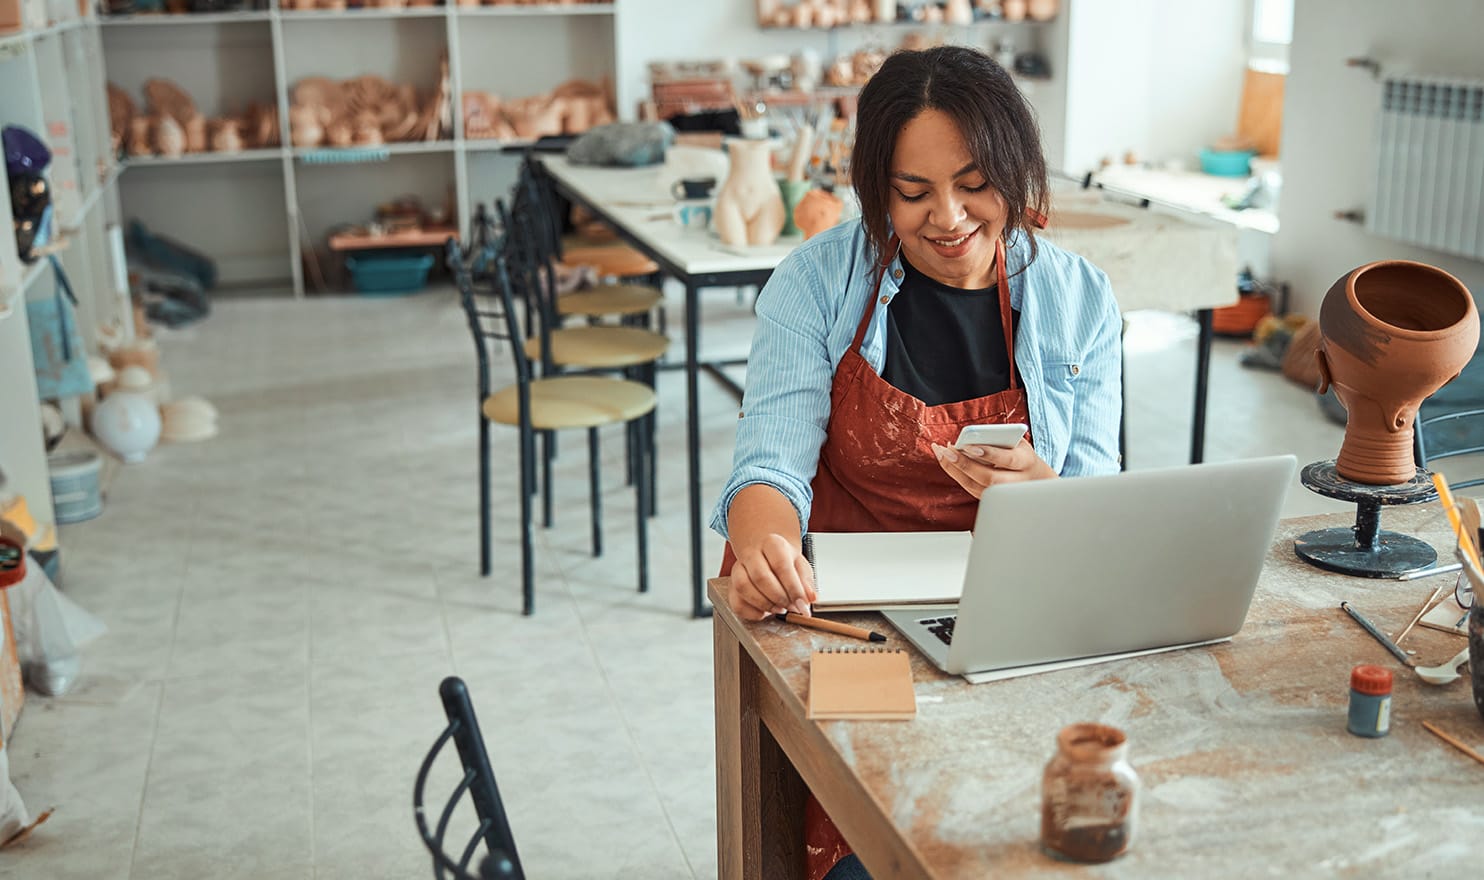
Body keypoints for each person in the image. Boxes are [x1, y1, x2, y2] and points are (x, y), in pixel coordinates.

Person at [709, 45, 1123, 880]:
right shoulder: (816, 284)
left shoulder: (1080, 300)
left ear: (1018, 170)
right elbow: (770, 464)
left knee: (1017, 832)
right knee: (876, 827)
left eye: (975, 184)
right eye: (912, 193)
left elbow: (1099, 507)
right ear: (876, 192)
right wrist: (764, 550)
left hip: (1012, 610)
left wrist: (1045, 492)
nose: (949, 217)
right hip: (849, 616)